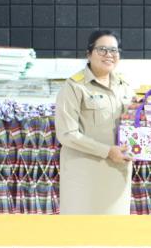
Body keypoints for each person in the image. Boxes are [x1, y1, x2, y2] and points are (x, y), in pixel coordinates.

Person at [55, 29, 133, 214]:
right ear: (89, 54)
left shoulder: (124, 85)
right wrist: (107, 151)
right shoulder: (74, 86)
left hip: (117, 173)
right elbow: (67, 134)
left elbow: (133, 125)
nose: (109, 55)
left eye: (114, 50)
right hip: (84, 174)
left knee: (115, 228)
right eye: (102, 49)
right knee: (82, 228)